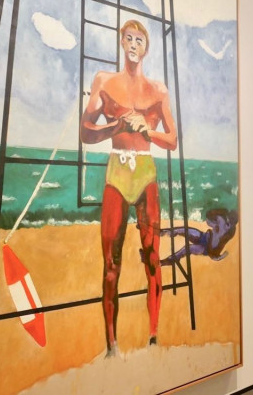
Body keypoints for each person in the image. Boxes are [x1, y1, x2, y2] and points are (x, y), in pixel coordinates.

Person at [80, 19, 177, 357]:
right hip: (117, 174)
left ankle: (153, 336)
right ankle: (112, 345)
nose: (134, 45)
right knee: (111, 264)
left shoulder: (158, 90)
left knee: (152, 258)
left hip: (146, 174)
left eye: (139, 40)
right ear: (122, 43)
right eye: (129, 39)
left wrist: (147, 132)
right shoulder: (104, 81)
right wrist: (116, 126)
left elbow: (173, 140)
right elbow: (86, 131)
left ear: (146, 48)